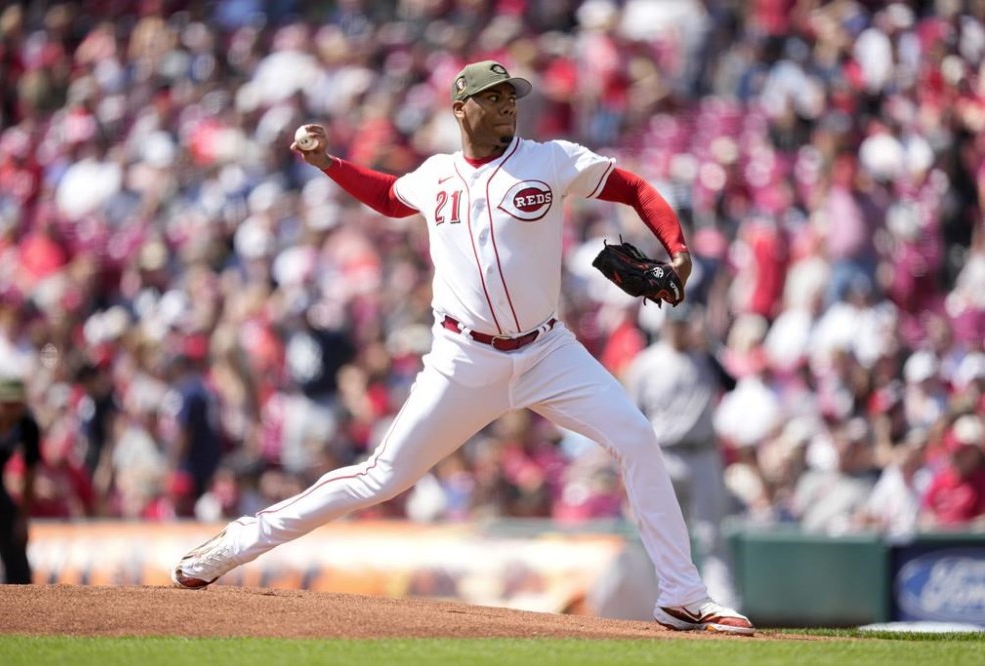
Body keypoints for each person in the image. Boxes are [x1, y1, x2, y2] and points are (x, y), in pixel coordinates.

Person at [170, 60, 754, 635]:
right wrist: (329, 164)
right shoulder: (436, 175)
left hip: (548, 352)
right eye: (492, 97)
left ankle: (682, 595)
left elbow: (634, 188)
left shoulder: (549, 160)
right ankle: (238, 542)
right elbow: (390, 197)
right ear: (460, 109)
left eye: (510, 97)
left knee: (636, 437)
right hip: (464, 357)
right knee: (381, 477)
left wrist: (678, 250)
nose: (506, 106)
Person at [624, 302, 740, 608]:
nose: (680, 329)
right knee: (663, 535)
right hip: (664, 455)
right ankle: (660, 606)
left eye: (684, 323)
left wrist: (709, 343)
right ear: (665, 325)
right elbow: (634, 417)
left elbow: (732, 383)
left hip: (703, 454)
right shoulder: (646, 364)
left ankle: (723, 605)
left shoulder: (705, 358)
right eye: (675, 323)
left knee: (712, 535)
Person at [0, 374, 40, 584]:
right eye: (5, 403)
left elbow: (30, 472)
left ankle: (22, 596)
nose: (10, 410)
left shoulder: (27, 426)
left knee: (16, 545)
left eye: (15, 404)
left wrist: (22, 518)